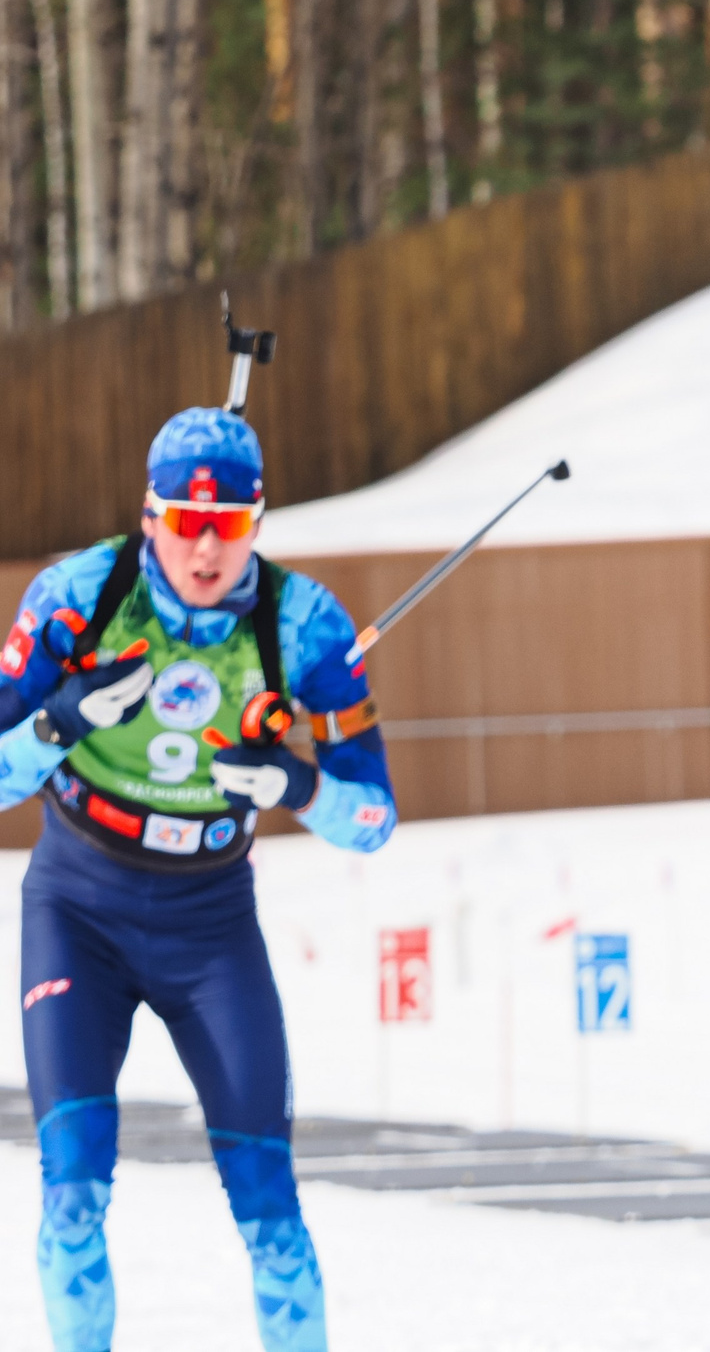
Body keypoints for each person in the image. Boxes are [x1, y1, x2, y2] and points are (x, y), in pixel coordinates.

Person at [0, 407, 398, 1352]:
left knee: (269, 1206)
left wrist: (296, 781)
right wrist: (57, 722)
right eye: (185, 519)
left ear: (259, 519)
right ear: (149, 518)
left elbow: (375, 818)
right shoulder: (78, 597)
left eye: (228, 523)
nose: (205, 546)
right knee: (72, 1193)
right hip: (78, 907)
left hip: (210, 924)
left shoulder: (302, 625)